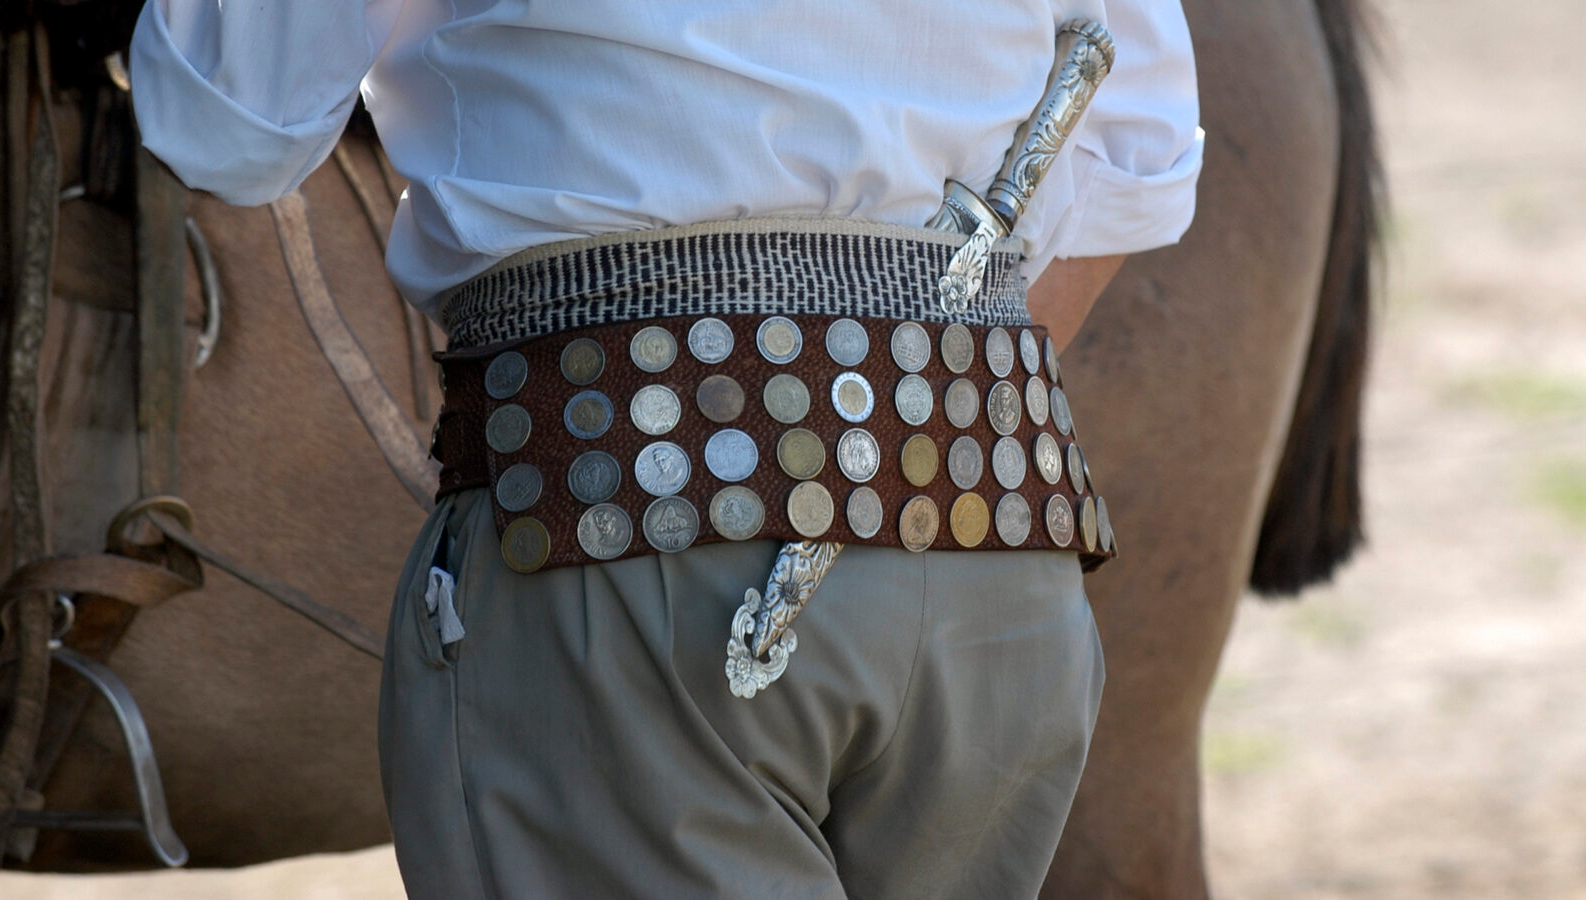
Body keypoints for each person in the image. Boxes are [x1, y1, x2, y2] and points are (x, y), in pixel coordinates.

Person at [130, 1, 1202, 896]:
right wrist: (887, 425)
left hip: (632, 543)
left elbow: (222, 119)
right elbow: (1139, 153)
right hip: (993, 540)